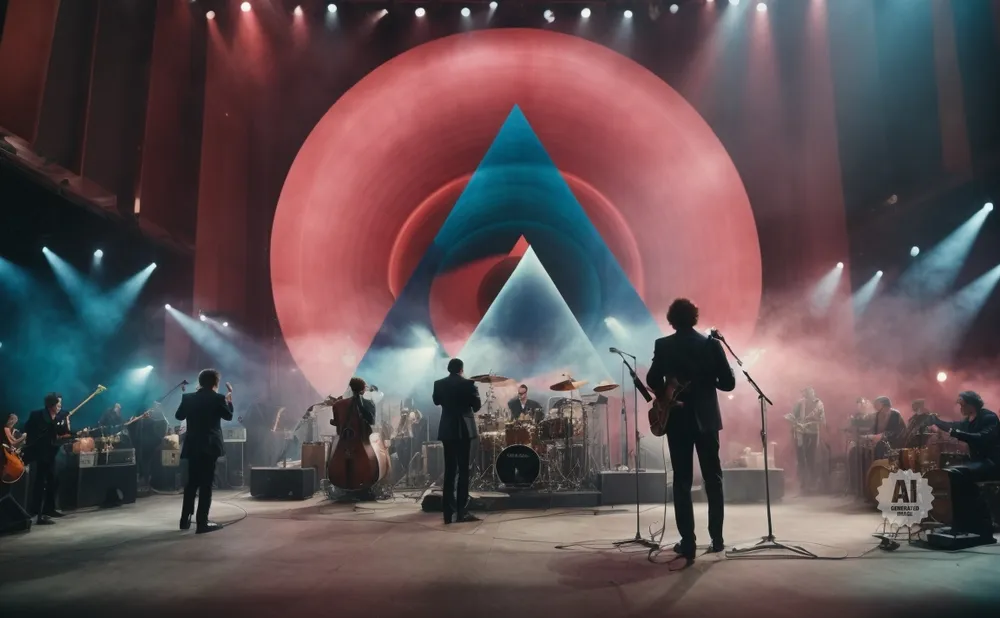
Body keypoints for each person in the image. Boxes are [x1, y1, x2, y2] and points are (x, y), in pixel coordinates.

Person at [646, 298, 735, 561]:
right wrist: (708, 380)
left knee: (682, 481)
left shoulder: (664, 345)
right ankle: (717, 540)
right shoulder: (712, 344)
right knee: (713, 479)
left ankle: (688, 543)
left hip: (678, 418)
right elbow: (728, 384)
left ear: (671, 320)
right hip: (707, 420)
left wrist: (667, 394)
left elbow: (652, 379)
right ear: (695, 317)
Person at [931, 391, 1000, 544]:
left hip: (993, 463)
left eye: (962, 404)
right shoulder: (968, 420)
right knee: (953, 473)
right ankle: (964, 522)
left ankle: (978, 525)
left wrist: (954, 432)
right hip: (979, 463)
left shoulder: (989, 418)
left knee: (958, 472)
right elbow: (952, 425)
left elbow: (981, 438)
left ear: (971, 404)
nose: (960, 407)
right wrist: (937, 421)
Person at [175, 369, 233, 534]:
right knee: (206, 484)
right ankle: (202, 522)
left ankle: (184, 520)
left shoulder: (188, 398)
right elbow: (228, 416)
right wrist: (229, 399)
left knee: (191, 483)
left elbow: (179, 416)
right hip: (210, 446)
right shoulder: (218, 398)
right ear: (215, 383)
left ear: (200, 382)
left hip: (193, 445)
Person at [433, 358, 483, 524]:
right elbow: (476, 406)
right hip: (464, 429)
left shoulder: (438, 383)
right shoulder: (468, 384)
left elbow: (436, 401)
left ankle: (447, 514)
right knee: (463, 471)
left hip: (447, 430)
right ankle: (462, 513)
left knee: (449, 471)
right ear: (462, 369)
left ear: (449, 369)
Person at [23, 393, 71, 525]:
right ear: (52, 405)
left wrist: (69, 428)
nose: (60, 406)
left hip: (52, 453)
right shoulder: (37, 415)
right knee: (40, 483)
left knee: (53, 481)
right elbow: (28, 429)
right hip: (40, 454)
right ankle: (37, 513)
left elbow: (62, 433)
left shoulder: (60, 416)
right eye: (58, 404)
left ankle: (49, 509)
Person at [788, 387, 825, 494]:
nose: (809, 396)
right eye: (807, 394)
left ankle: (812, 484)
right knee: (801, 459)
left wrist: (812, 422)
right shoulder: (799, 404)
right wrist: (795, 423)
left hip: (813, 433)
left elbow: (822, 419)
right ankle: (803, 484)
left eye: (811, 393)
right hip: (801, 433)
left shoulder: (819, 404)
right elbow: (792, 416)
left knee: (811, 458)